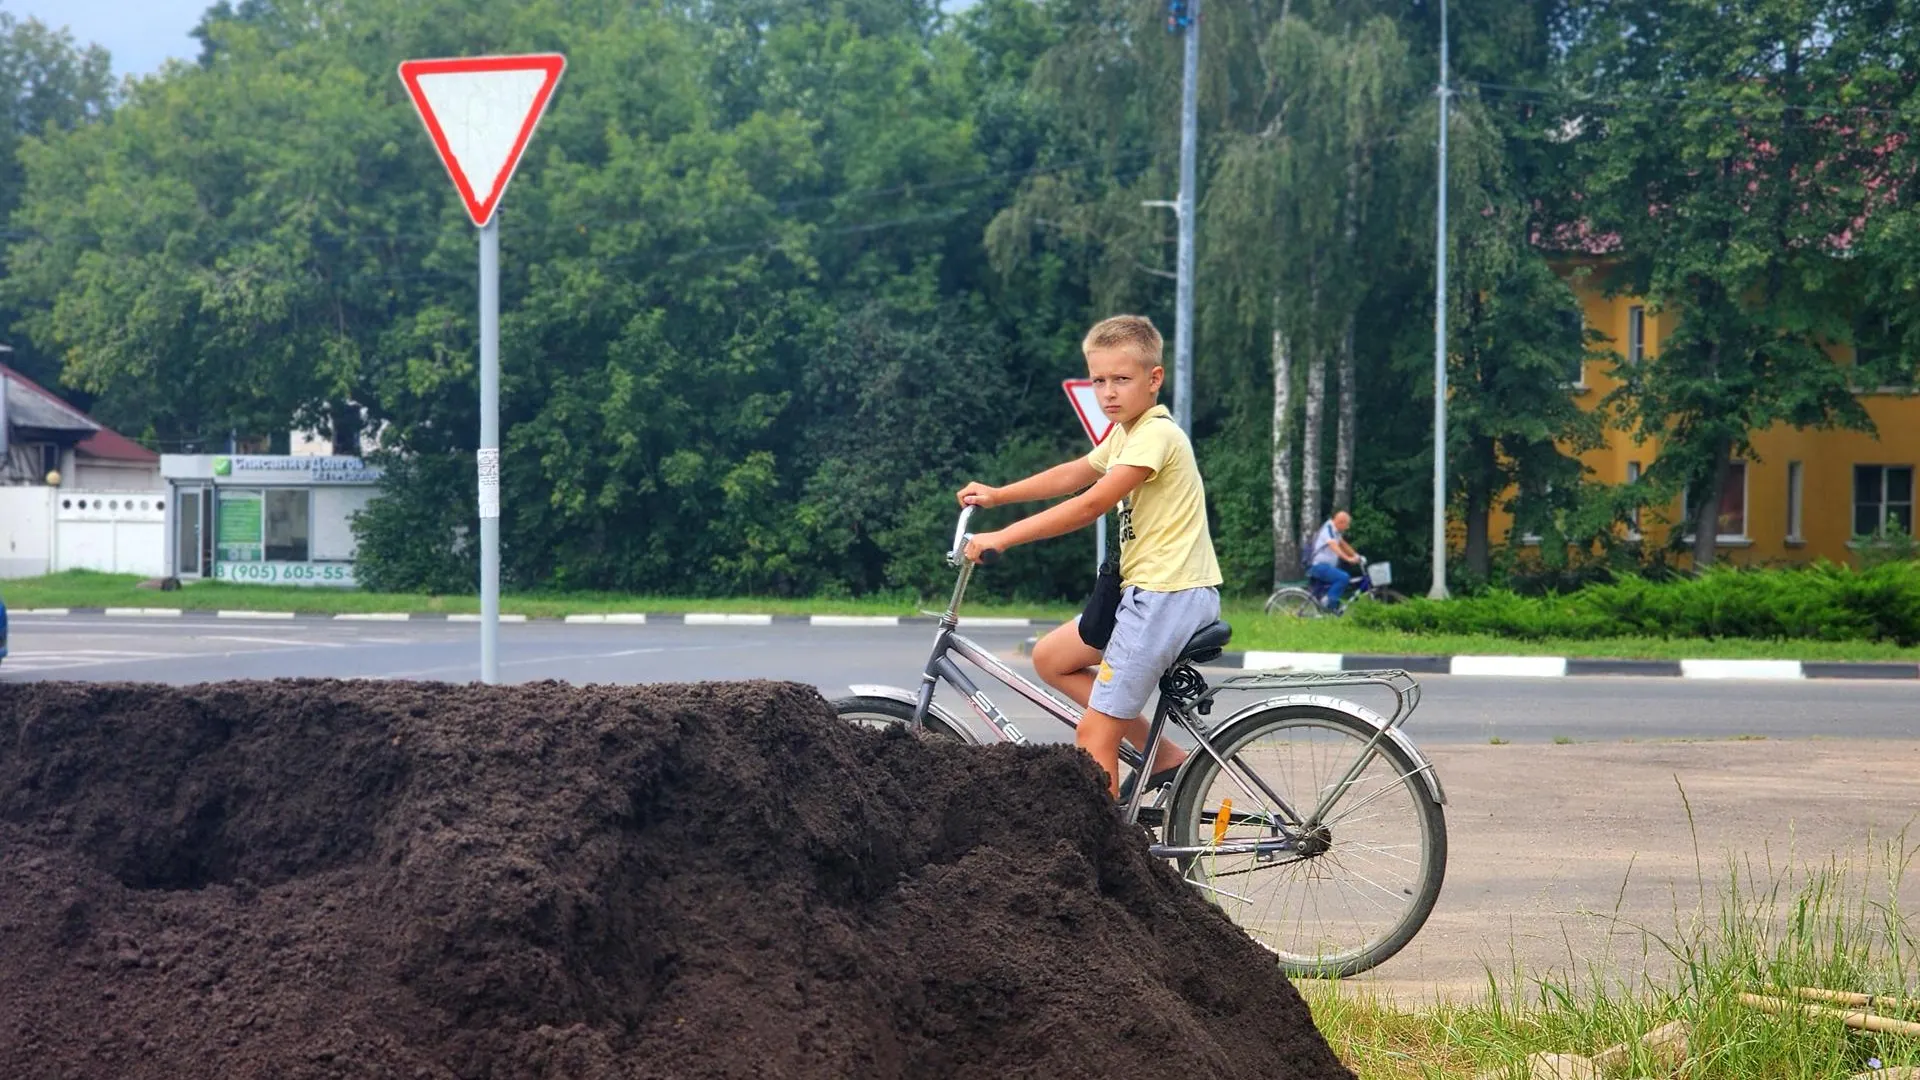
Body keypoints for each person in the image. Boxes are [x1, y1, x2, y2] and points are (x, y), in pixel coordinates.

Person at [956, 315, 1222, 799]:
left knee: (1094, 735)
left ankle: (1109, 863)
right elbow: (1073, 474)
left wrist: (1004, 537)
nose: (1108, 393)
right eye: (1098, 381)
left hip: (1167, 595)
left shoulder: (1156, 435)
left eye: (1121, 379)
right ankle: (1162, 757)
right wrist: (998, 495)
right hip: (1142, 592)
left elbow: (1091, 503)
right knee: (1052, 658)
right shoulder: (1126, 433)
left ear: (1154, 379)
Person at [1308, 511, 1362, 613]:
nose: (1347, 528)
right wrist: (1348, 559)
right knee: (1343, 577)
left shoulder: (1335, 531)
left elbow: (1343, 544)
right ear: (1340, 522)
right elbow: (1334, 547)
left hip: (1326, 567)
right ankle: (1329, 604)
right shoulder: (1327, 529)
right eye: (1347, 525)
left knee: (1340, 578)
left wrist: (1356, 556)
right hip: (1319, 567)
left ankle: (1328, 604)